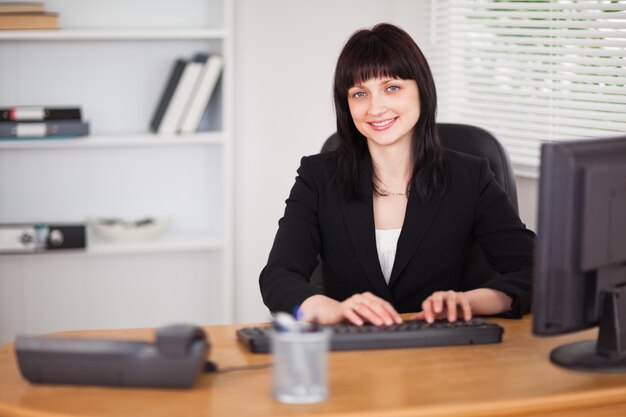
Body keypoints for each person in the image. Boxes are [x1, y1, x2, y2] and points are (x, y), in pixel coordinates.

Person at [259, 23, 535, 326]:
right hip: (351, 354)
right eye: (360, 93)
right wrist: (328, 308)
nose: (375, 108)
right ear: (346, 105)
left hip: (447, 353)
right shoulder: (318, 177)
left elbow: (536, 270)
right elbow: (278, 276)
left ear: (422, 91)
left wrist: (470, 301)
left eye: (392, 88)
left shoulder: (470, 177)